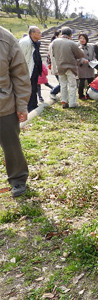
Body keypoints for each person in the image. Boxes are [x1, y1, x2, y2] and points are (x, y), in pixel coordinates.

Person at [0, 26, 31, 197]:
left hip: (3, 105)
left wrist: (21, 105)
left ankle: (18, 179)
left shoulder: (6, 38)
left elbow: (20, 75)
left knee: (11, 145)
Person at [51, 27, 84, 109]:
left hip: (60, 66)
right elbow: (80, 55)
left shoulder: (54, 42)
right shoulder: (71, 43)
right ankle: (72, 103)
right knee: (72, 86)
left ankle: (64, 102)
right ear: (70, 34)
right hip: (70, 67)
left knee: (63, 85)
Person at [19, 26, 42, 112]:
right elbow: (20, 57)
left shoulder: (35, 43)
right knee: (29, 88)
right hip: (27, 69)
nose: (41, 34)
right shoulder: (25, 43)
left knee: (34, 88)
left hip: (34, 69)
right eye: (38, 33)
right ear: (32, 33)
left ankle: (33, 105)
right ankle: (29, 107)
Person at [77, 33, 96, 100]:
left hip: (90, 66)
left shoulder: (91, 46)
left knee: (90, 82)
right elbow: (75, 56)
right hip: (81, 67)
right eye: (80, 38)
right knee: (81, 82)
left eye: (84, 38)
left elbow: (94, 54)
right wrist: (82, 60)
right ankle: (81, 95)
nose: (82, 40)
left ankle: (89, 95)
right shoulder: (77, 46)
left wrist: (94, 59)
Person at [47, 29, 61, 100]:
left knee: (62, 82)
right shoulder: (53, 45)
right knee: (62, 83)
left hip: (59, 66)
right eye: (60, 35)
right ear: (56, 36)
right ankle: (53, 92)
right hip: (56, 66)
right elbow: (49, 57)